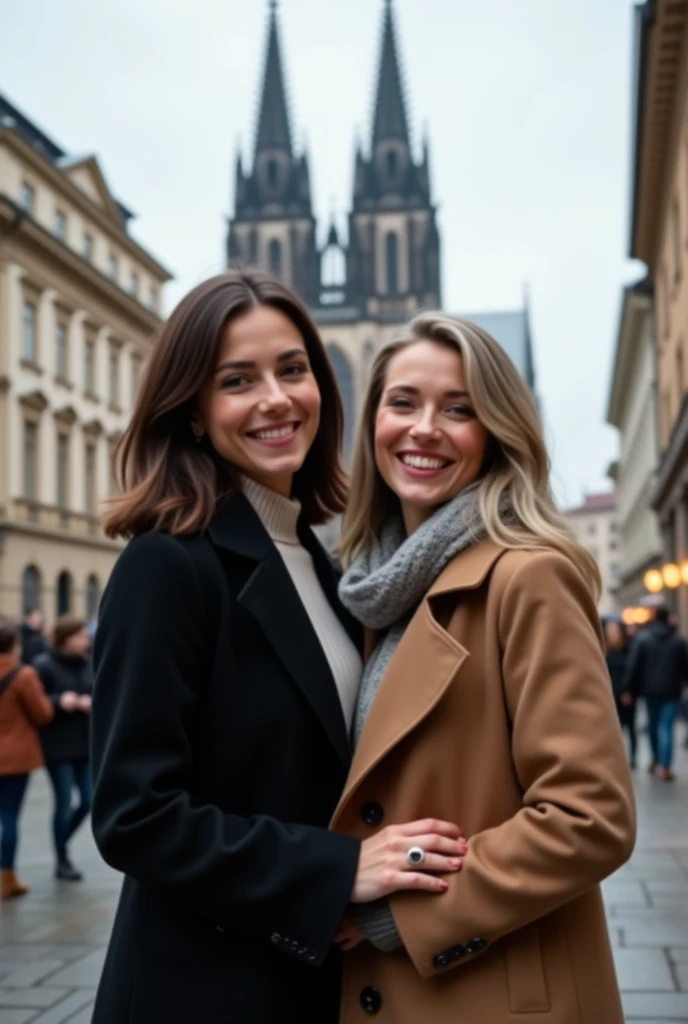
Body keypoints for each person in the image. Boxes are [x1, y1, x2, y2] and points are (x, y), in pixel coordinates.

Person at [89, 270, 467, 1024]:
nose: (276, 398)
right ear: (193, 411)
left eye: (293, 369)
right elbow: (135, 815)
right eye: (237, 380)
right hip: (200, 987)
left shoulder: (319, 563)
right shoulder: (168, 563)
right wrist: (339, 867)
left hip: (302, 975)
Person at [333, 313, 636, 1024]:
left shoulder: (528, 576)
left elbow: (590, 817)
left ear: (496, 431)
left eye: (459, 409)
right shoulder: (374, 589)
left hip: (494, 990)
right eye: (403, 402)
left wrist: (394, 913)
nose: (424, 428)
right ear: (372, 418)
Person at [34, 616, 93, 881]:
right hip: (57, 746)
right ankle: (61, 857)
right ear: (66, 638)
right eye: (81, 635)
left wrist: (91, 701)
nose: (86, 639)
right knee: (64, 802)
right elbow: (35, 701)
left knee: (89, 801)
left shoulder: (87, 663)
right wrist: (59, 700)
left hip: (84, 743)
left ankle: (61, 842)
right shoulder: (44, 665)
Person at [0, 615, 54, 899]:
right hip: (13, 757)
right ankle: (6, 878)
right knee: (8, 817)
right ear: (13, 645)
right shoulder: (23, 675)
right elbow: (42, 714)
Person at [626, 604, 688, 781]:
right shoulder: (678, 640)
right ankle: (666, 767)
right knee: (667, 727)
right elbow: (685, 667)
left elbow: (635, 665)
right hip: (672, 691)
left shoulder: (644, 639)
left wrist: (629, 688)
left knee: (653, 726)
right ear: (668, 618)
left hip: (650, 691)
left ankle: (655, 759)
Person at [604, 618, 636, 768]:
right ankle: (618, 758)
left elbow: (632, 671)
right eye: (610, 631)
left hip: (627, 694)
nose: (613, 633)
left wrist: (628, 690)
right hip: (611, 694)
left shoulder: (628, 648)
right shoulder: (605, 650)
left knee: (630, 726)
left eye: (615, 630)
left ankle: (633, 758)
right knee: (616, 729)